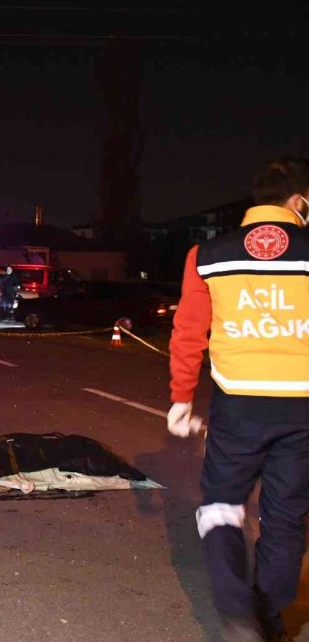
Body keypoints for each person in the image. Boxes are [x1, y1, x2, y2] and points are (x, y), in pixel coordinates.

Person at [167, 157, 309, 642]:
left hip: (239, 405)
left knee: (221, 507)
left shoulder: (208, 255)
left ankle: (237, 612)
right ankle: (270, 622)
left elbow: (189, 332)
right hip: (303, 407)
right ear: (299, 201)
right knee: (285, 519)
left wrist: (181, 398)